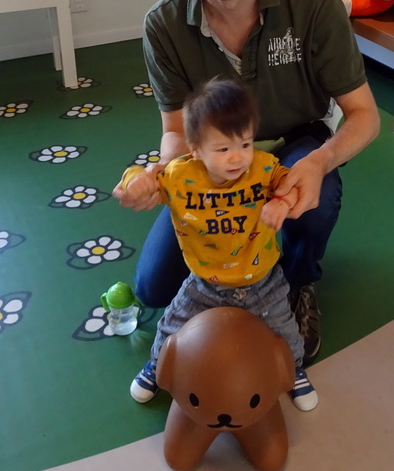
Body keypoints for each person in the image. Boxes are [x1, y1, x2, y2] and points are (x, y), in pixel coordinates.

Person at [113, 0, 380, 362]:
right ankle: (223, 272)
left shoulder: (314, 5)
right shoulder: (164, 24)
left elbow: (365, 114)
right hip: (209, 162)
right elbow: (175, 131)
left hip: (295, 141)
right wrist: (161, 174)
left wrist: (319, 162)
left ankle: (297, 281)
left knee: (315, 201)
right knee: (152, 289)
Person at [119, 77, 318, 411]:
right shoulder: (181, 175)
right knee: (170, 325)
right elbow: (142, 177)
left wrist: (282, 203)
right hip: (204, 284)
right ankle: (159, 367)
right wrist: (134, 183)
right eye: (223, 149)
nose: (237, 158)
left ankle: (293, 370)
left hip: (263, 283)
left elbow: (292, 183)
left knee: (285, 332)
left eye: (245, 144)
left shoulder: (263, 169)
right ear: (196, 149)